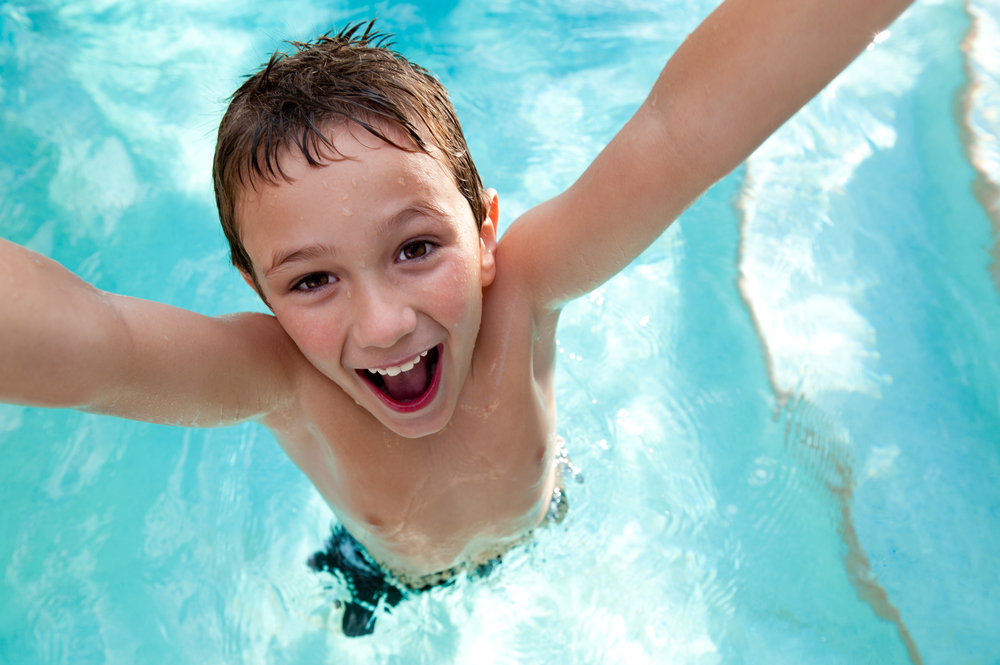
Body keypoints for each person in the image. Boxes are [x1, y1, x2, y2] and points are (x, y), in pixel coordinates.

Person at [0, 0, 913, 637]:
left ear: (485, 231)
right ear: (258, 292)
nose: (386, 322)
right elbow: (99, 345)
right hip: (384, 572)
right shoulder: (277, 379)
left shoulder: (522, 290)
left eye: (414, 248)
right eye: (312, 280)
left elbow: (680, 134)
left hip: (545, 516)